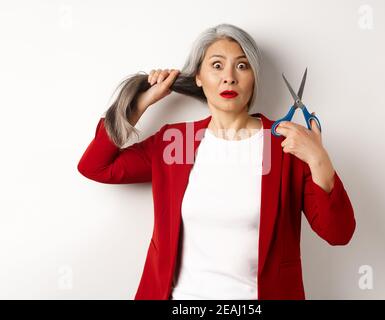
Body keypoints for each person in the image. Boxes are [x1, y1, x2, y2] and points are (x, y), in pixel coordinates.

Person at [77, 23, 356, 300]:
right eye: (217, 65)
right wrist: (139, 104)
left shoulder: (286, 144)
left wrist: (320, 160)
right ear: (198, 76)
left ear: (254, 78)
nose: (230, 78)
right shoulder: (175, 142)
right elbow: (96, 166)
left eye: (242, 66)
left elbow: (339, 233)